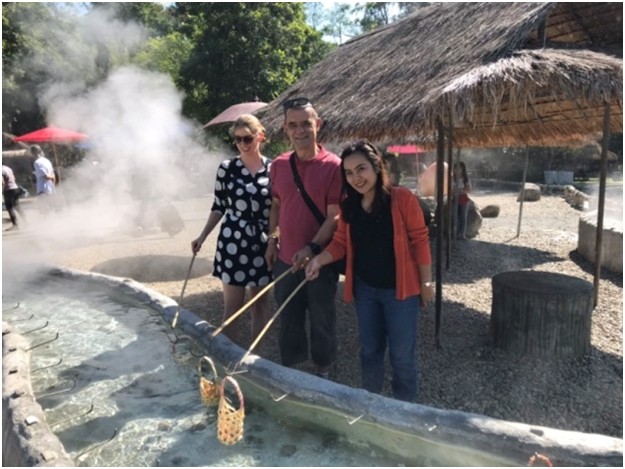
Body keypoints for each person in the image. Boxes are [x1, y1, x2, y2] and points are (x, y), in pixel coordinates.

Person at [305, 139, 433, 402]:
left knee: (401, 356)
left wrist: (426, 283)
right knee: (370, 351)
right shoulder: (349, 206)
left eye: (361, 169)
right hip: (366, 290)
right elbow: (340, 243)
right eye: (349, 173)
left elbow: (420, 240)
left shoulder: (402, 199)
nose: (356, 177)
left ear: (377, 167)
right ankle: (371, 404)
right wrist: (319, 260)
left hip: (401, 291)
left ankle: (404, 411)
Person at [264, 97, 342, 379]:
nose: (300, 131)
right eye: (293, 125)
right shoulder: (279, 165)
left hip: (320, 258)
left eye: (306, 124)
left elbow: (334, 215)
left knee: (322, 316)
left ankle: (323, 368)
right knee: (289, 317)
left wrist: (312, 248)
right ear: (285, 128)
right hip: (285, 259)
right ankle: (294, 371)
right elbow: (276, 204)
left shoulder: (334, 166)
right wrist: (272, 240)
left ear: (317, 125)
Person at [192, 114, 272, 345]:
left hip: (262, 243)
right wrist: (202, 235)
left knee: (260, 306)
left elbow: (279, 208)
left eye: (247, 138)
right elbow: (219, 206)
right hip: (233, 242)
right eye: (237, 140)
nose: (243, 144)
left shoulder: (274, 168)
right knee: (233, 309)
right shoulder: (227, 168)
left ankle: (256, 360)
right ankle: (227, 363)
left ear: (260, 136)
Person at [2, 164, 25, 230]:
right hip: (15, 188)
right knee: (17, 206)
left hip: (8, 189)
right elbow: (14, 178)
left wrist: (2, 191)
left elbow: (3, 182)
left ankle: (15, 225)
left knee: (9, 207)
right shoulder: (8, 168)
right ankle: (26, 221)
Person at [453, 161, 472, 240]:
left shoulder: (465, 179)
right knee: (455, 217)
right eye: (455, 168)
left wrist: (459, 190)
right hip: (454, 198)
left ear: (462, 169)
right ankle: (455, 233)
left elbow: (469, 190)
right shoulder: (452, 178)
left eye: (459, 168)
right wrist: (459, 190)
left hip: (463, 199)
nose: (457, 170)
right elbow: (451, 189)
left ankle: (462, 234)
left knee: (463, 217)